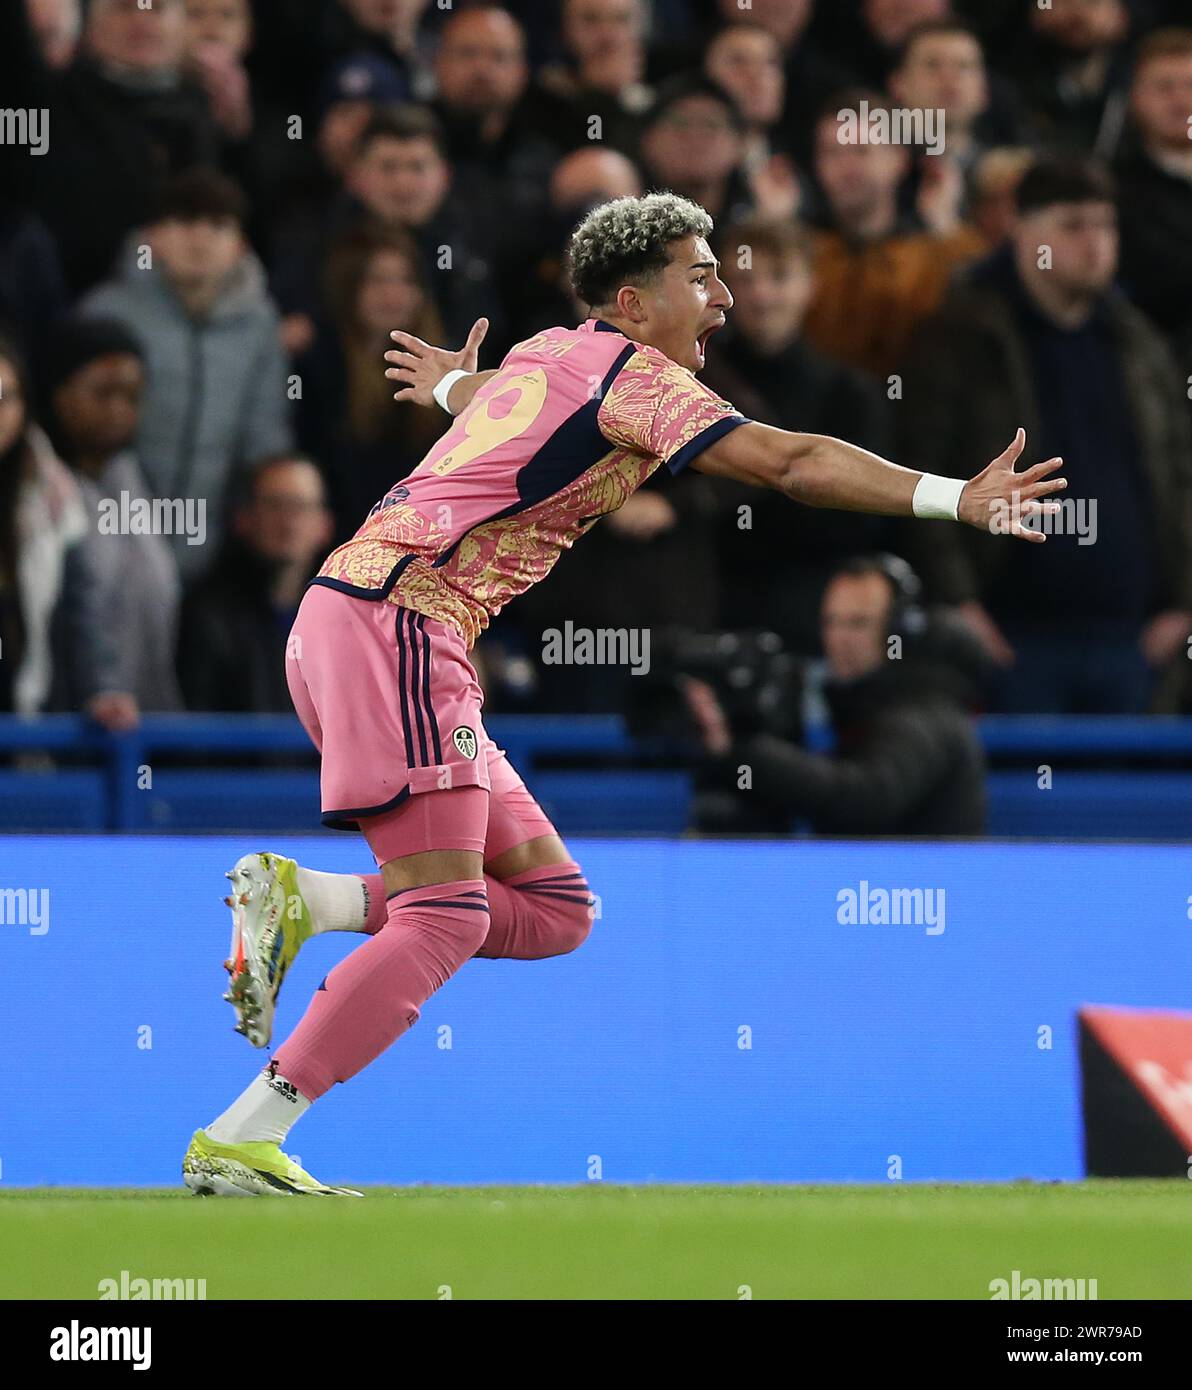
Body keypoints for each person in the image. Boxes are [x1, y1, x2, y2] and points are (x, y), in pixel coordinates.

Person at [183, 191, 1064, 1196]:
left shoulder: (549, 352)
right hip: (404, 627)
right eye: (702, 276)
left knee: (556, 907)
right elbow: (791, 462)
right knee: (446, 916)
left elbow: (499, 415)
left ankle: (311, 898)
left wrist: (447, 389)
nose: (724, 296)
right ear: (635, 303)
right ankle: (245, 1133)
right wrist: (954, 496)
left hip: (353, 619)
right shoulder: (636, 379)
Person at [898, 155, 1192, 713]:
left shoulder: (1138, 342)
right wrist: (958, 601)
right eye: (1073, 225)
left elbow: (1181, 474)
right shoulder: (962, 335)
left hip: (1131, 639)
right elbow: (920, 471)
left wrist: (1185, 602)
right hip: (1009, 635)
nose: (1095, 243)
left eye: (1105, 226)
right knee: (1024, 796)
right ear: (1022, 230)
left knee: (1123, 798)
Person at [82, 169, 293, 584]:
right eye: (182, 222)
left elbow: (265, 434)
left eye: (217, 225)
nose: (199, 239)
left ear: (240, 245)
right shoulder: (106, 314)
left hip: (218, 551)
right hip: (108, 535)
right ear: (151, 237)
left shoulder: (260, 324)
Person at [684, 556, 988, 836]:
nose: (839, 638)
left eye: (857, 623)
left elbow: (863, 800)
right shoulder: (862, 705)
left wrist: (741, 751)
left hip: (923, 890)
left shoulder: (926, 712)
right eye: (831, 621)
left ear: (898, 630)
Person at [39, 316, 183, 712]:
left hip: (139, 720)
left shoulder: (135, 479)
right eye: (102, 393)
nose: (118, 409)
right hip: (59, 724)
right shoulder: (35, 483)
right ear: (58, 391)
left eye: (131, 396)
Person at [0, 336, 137, 729]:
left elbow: (83, 607)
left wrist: (103, 688)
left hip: (26, 719)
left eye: (7, 397)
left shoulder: (52, 492)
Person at [802, 92, 986, 377]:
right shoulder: (804, 249)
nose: (846, 168)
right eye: (831, 153)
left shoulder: (934, 250)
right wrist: (771, 227)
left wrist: (945, 224)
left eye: (861, 151)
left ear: (898, 159)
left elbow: (982, 311)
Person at [293, 223, 449, 538]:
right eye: (377, 281)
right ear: (347, 288)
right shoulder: (317, 367)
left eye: (405, 280)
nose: (393, 294)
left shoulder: (440, 364)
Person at [178, 454, 333, 712]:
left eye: (301, 507)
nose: (288, 522)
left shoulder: (342, 620)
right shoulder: (207, 615)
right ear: (244, 518)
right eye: (275, 505)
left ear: (324, 525)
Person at [1114, 27, 1192, 370]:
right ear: (1135, 99)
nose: (1181, 100)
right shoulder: (1112, 191)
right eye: (1164, 87)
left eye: (1191, 85)